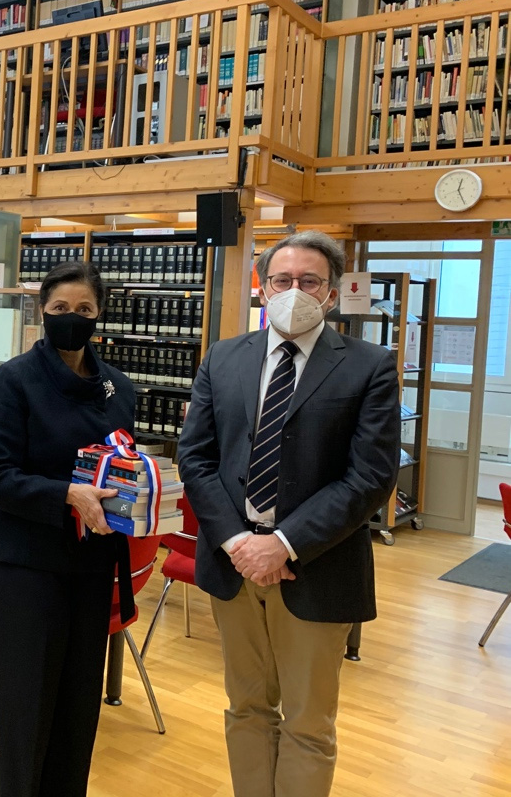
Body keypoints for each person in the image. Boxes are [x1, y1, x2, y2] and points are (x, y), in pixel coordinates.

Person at [178, 230, 400, 797]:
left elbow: (370, 476)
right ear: (262, 285)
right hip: (233, 565)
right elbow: (196, 459)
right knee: (246, 708)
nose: (294, 290)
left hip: (315, 565)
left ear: (331, 292)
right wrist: (236, 542)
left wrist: (283, 543)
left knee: (308, 723)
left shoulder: (369, 366)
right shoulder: (224, 357)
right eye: (282, 280)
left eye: (309, 281)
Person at [0, 261, 136, 797]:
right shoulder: (14, 379)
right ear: (42, 312)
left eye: (84, 310)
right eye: (61, 309)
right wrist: (66, 493)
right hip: (26, 562)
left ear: (100, 315)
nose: (73, 318)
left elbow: (123, 461)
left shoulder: (118, 386)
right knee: (27, 705)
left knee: (77, 703)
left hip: (91, 563)